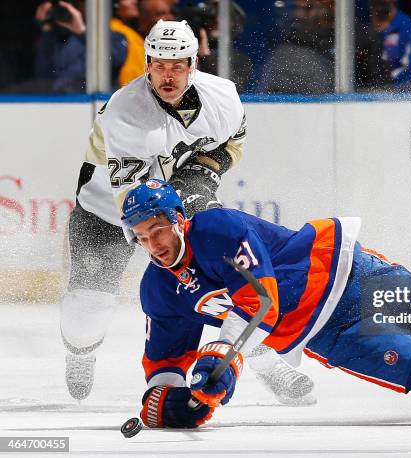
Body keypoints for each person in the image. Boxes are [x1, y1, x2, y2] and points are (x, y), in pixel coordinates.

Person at [121, 179, 411, 429]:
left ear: (179, 220)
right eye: (141, 237)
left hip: (347, 270)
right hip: (328, 334)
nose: (152, 244)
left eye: (157, 229)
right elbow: (165, 359)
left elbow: (263, 301)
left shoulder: (217, 228)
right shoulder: (157, 290)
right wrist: (173, 402)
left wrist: (221, 360)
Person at [61, 19, 314, 406]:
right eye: (159, 65)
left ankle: (263, 363)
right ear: (147, 63)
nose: (168, 74)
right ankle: (81, 351)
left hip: (180, 192)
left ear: (194, 62)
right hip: (105, 209)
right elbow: (131, 198)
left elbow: (233, 145)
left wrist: (201, 172)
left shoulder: (224, 97)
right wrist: (170, 242)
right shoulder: (126, 113)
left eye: (177, 65)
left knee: (221, 273)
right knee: (88, 310)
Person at [257, 0, 390, 94]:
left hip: (350, 106)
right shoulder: (291, 35)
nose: (307, 4)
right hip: (303, 104)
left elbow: (377, 85)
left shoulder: (364, 37)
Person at [369, 0, 411, 87]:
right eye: (376, 3)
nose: (379, 8)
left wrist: (392, 76)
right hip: (369, 88)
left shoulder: (408, 26)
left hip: (400, 88)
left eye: (382, 3)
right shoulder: (367, 26)